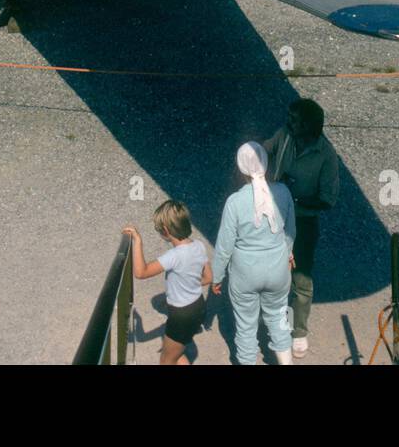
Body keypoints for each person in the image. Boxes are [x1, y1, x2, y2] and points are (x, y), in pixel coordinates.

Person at [262, 98, 339, 359]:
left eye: (294, 119)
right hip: (275, 218)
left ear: (308, 126)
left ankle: (299, 332)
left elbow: (328, 199)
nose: (288, 121)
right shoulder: (285, 135)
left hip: (304, 222)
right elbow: (265, 149)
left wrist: (295, 198)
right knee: (272, 272)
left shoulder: (326, 156)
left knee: (301, 280)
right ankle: (273, 321)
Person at [211, 142, 296, 365]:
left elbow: (224, 246)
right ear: (266, 165)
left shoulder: (235, 202)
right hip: (278, 269)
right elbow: (290, 231)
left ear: (241, 169)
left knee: (246, 328)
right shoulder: (283, 193)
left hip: (244, 274)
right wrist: (288, 253)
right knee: (281, 319)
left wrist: (216, 277)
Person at [123, 200, 211, 365]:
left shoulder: (174, 256)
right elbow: (208, 278)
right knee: (176, 356)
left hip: (181, 315)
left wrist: (138, 241)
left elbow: (141, 272)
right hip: (197, 306)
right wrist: (185, 286)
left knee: (166, 360)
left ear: (165, 231)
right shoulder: (199, 245)